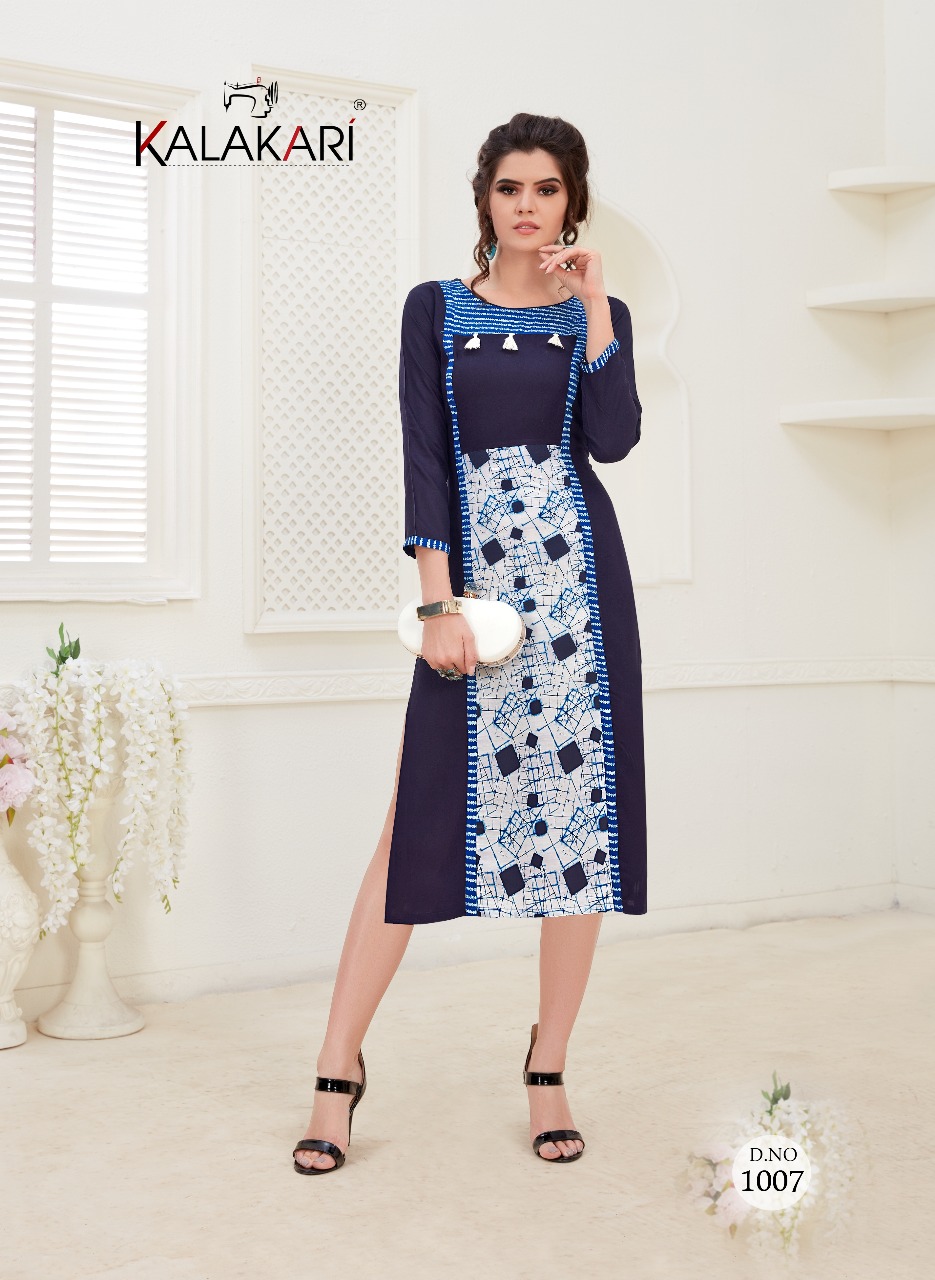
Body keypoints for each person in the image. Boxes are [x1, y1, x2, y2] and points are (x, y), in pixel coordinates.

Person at [293, 112, 647, 1176]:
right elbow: (425, 457)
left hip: (579, 597)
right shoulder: (434, 310)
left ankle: (548, 1068)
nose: (526, 206)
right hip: (474, 597)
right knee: (413, 824)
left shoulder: (596, 315)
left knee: (578, 836)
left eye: (546, 189)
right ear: (484, 199)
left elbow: (613, 438)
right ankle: (336, 1068)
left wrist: (594, 305)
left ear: (571, 202)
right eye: (508, 188)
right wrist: (437, 604)